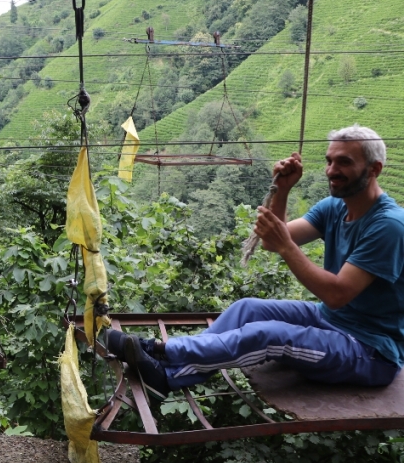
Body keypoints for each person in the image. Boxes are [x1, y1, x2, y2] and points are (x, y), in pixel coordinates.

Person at [107, 124, 404, 401]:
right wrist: (284, 190)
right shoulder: (334, 207)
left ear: (374, 169)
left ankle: (158, 349)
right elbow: (272, 241)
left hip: (369, 351)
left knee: (268, 336)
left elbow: (337, 294)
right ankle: (168, 376)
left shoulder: (388, 226)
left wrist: (286, 246)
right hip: (331, 320)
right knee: (247, 308)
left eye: (344, 162)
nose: (331, 170)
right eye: (329, 161)